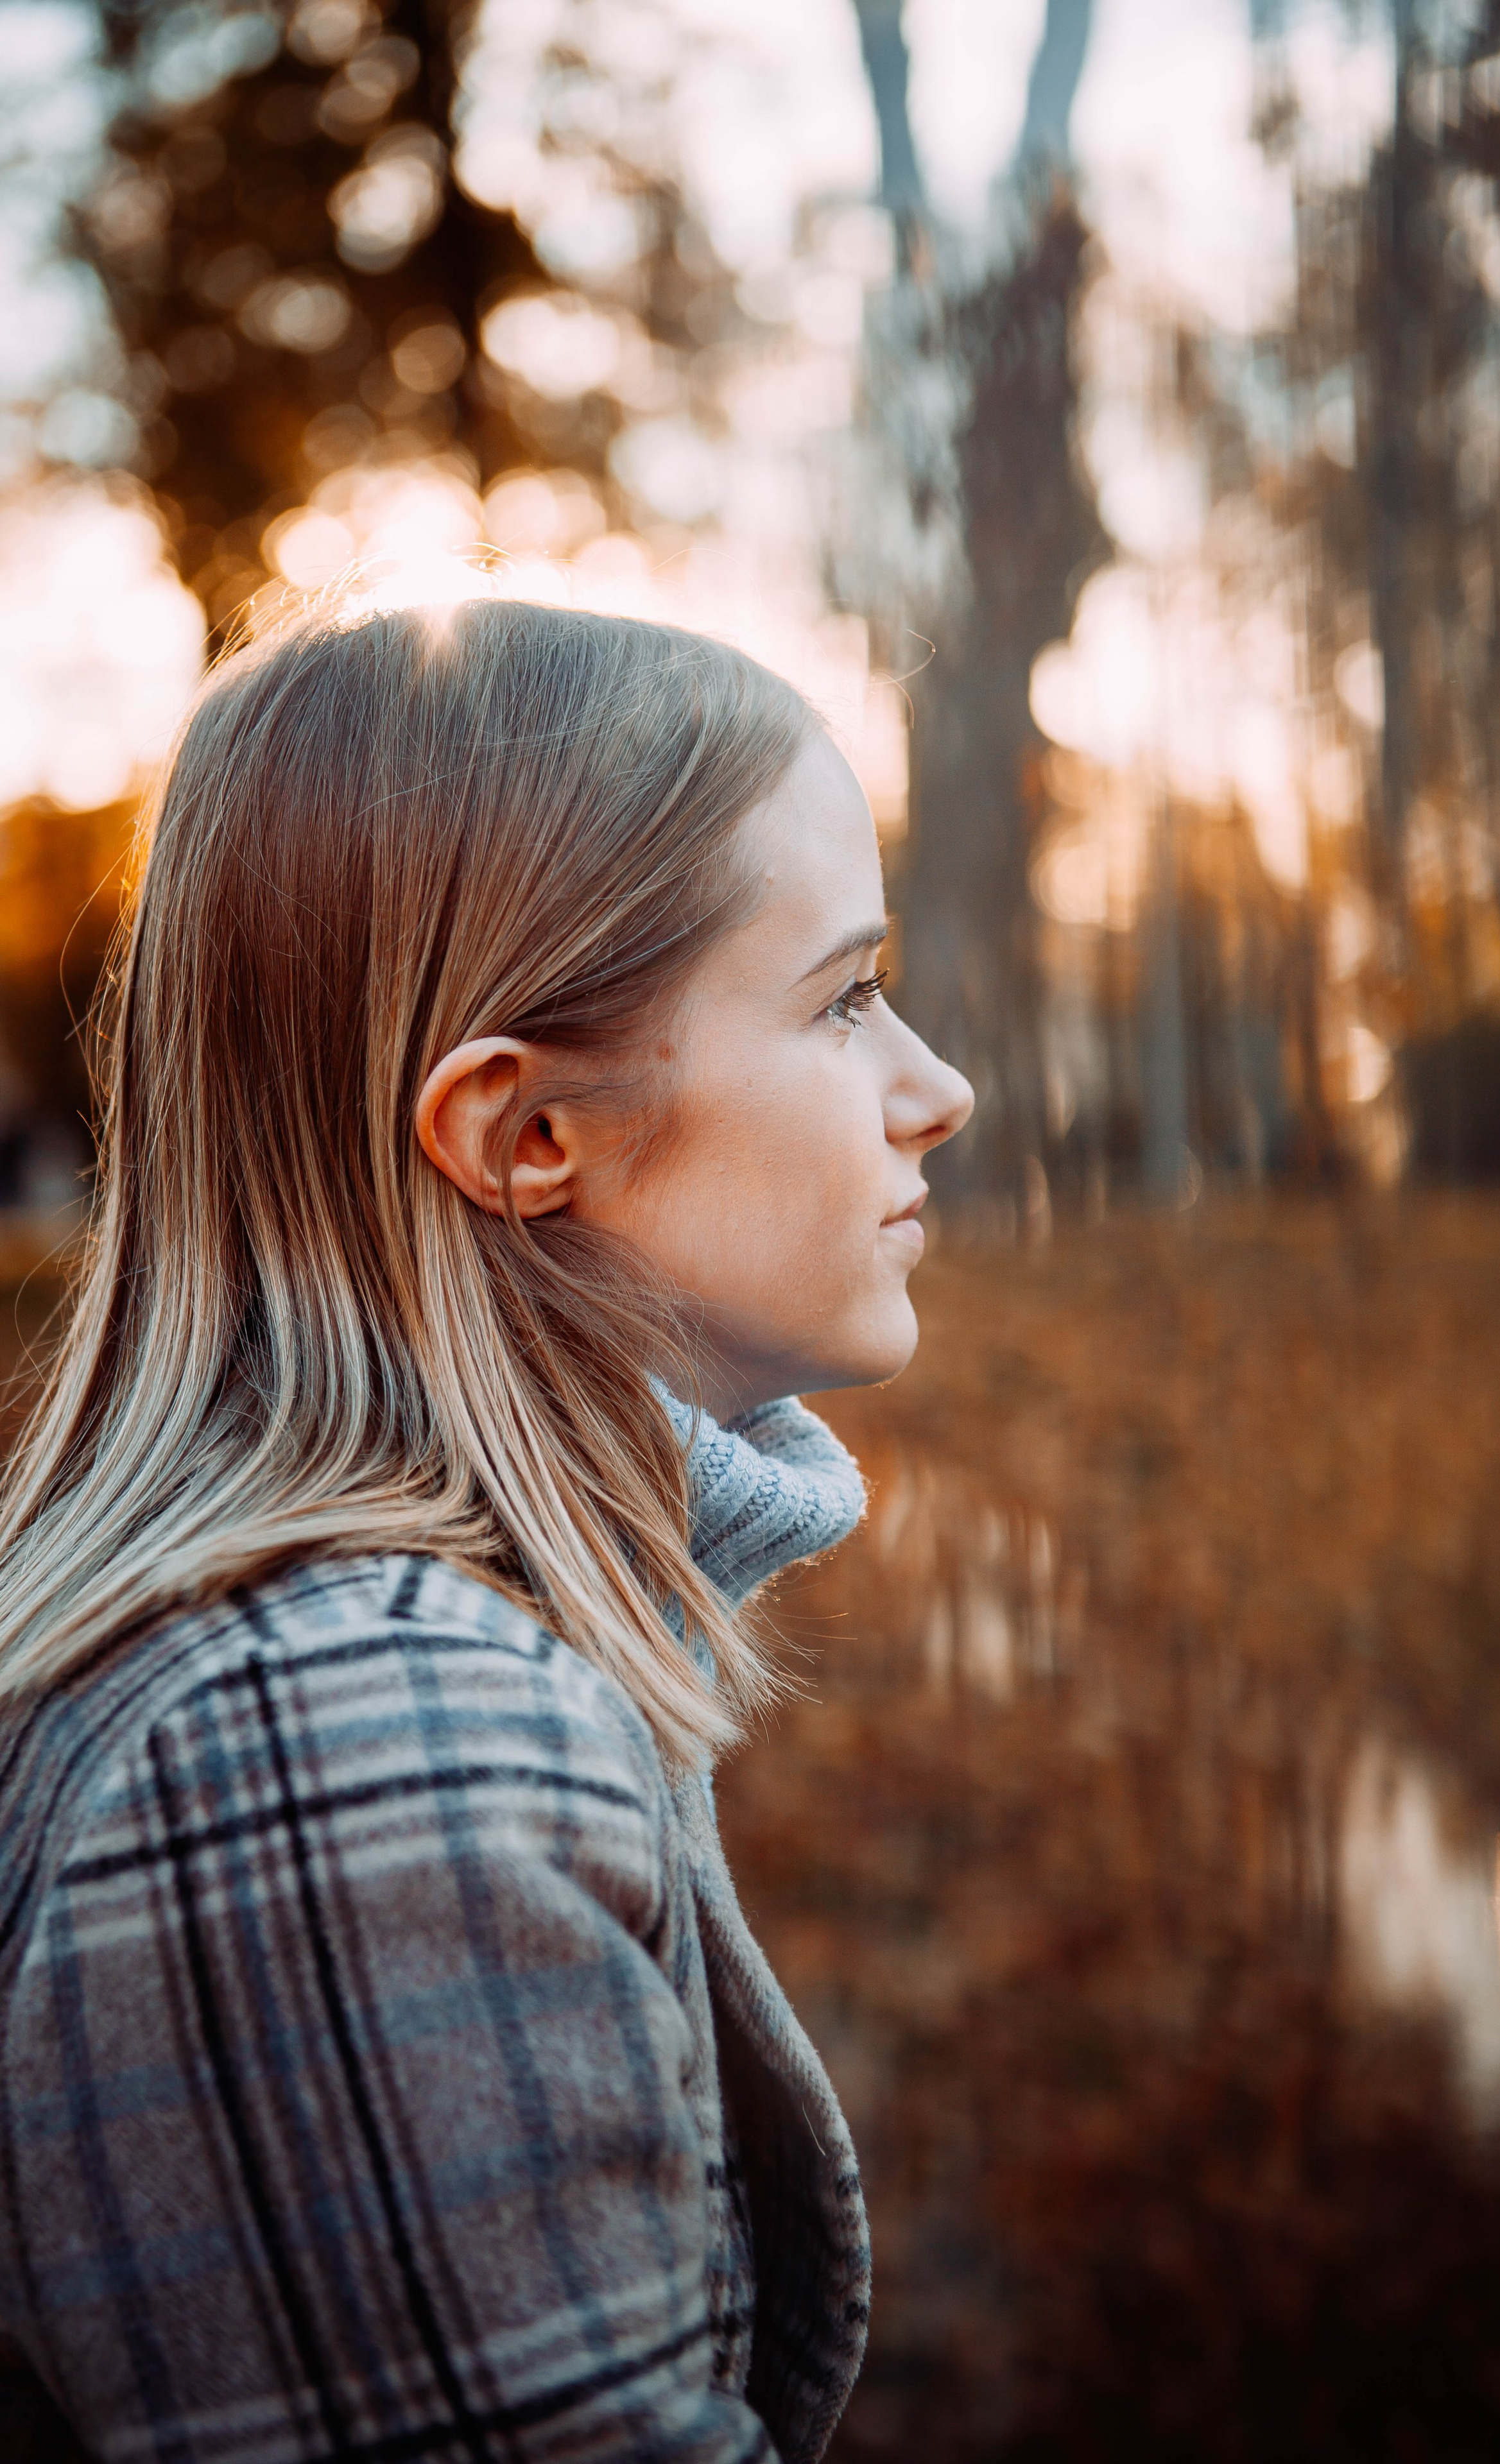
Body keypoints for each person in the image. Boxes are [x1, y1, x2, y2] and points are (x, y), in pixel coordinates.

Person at [0, 599, 972, 2464]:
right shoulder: (359, 1746)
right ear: (525, 1133)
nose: (938, 1091)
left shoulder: (356, 1666)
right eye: (845, 999)